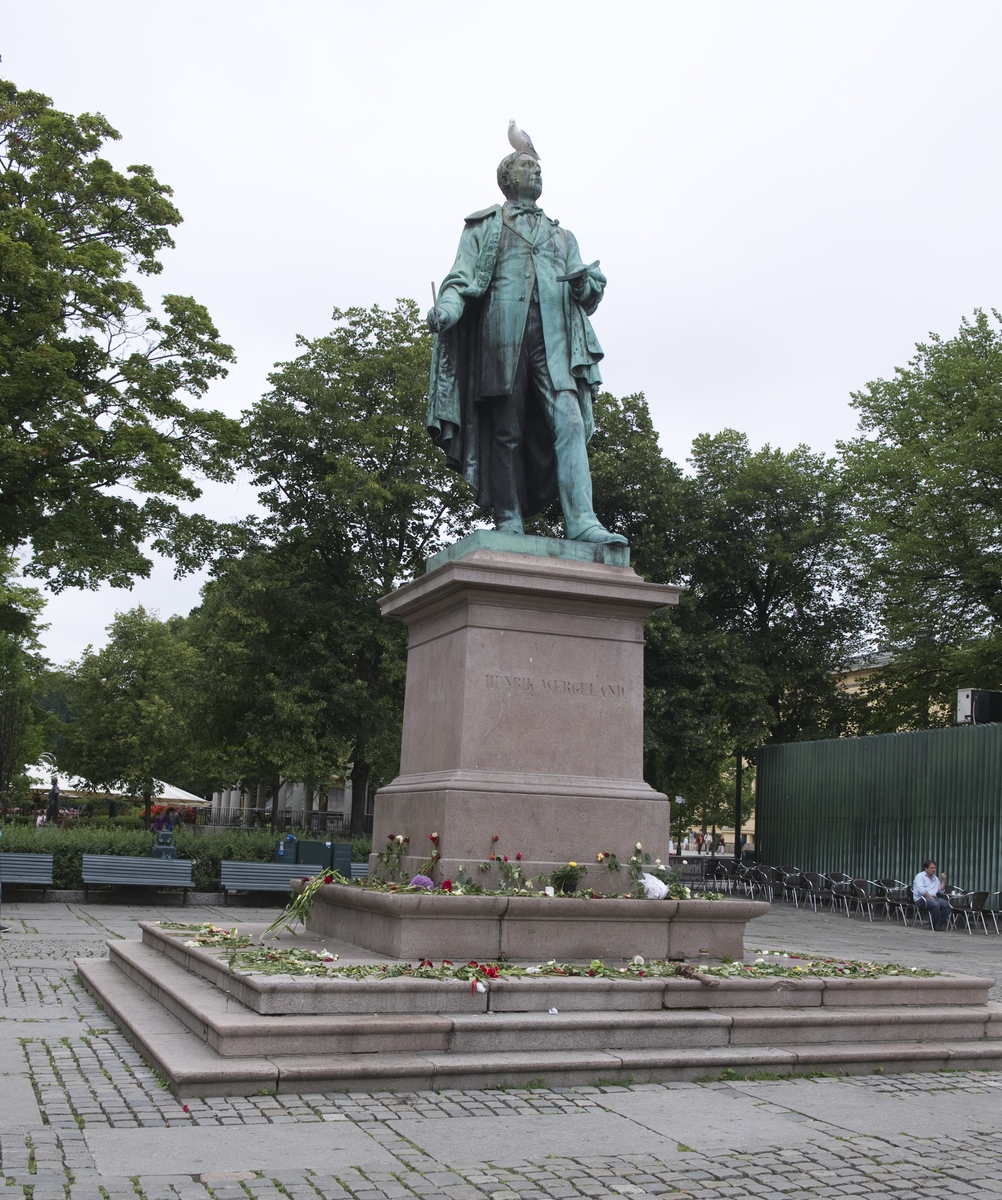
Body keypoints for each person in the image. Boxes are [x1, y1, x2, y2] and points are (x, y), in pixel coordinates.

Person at [427, 144, 627, 545]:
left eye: (538, 168)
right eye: (526, 166)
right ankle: (509, 518)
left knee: (570, 423)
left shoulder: (562, 235)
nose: (536, 172)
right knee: (507, 431)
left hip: (556, 347)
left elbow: (587, 296)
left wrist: (589, 284)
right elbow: (459, 280)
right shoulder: (486, 226)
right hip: (501, 341)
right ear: (507, 178)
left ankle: (583, 520)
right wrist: (446, 312)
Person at [912, 859, 951, 931]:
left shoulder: (935, 878)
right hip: (921, 898)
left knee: (947, 905)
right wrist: (930, 897)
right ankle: (937, 926)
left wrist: (943, 881)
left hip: (933, 897)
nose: (933, 870)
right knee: (936, 904)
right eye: (931, 868)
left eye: (934, 868)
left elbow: (940, 891)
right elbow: (921, 890)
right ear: (926, 868)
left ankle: (936, 924)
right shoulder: (920, 876)